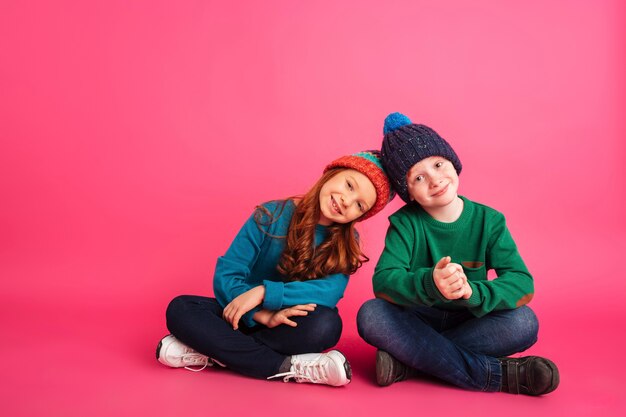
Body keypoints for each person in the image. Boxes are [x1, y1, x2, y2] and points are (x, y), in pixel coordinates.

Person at [357, 113, 559, 395]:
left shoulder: (489, 221)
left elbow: (521, 283)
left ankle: (411, 362)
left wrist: (473, 293)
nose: (435, 179)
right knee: (371, 315)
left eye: (438, 164)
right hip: (419, 316)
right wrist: (431, 283)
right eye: (418, 177)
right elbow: (384, 282)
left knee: (524, 322)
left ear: (452, 161)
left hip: (471, 318)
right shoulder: (405, 223)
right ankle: (497, 375)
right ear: (409, 193)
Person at [157, 150, 394, 387]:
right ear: (332, 173)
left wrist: (264, 292)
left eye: (359, 205)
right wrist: (260, 315)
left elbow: (328, 293)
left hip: (287, 326)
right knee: (181, 308)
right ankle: (285, 367)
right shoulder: (272, 214)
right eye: (349, 185)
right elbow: (227, 274)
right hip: (240, 314)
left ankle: (213, 353)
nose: (346, 201)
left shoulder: (346, 244)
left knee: (327, 325)